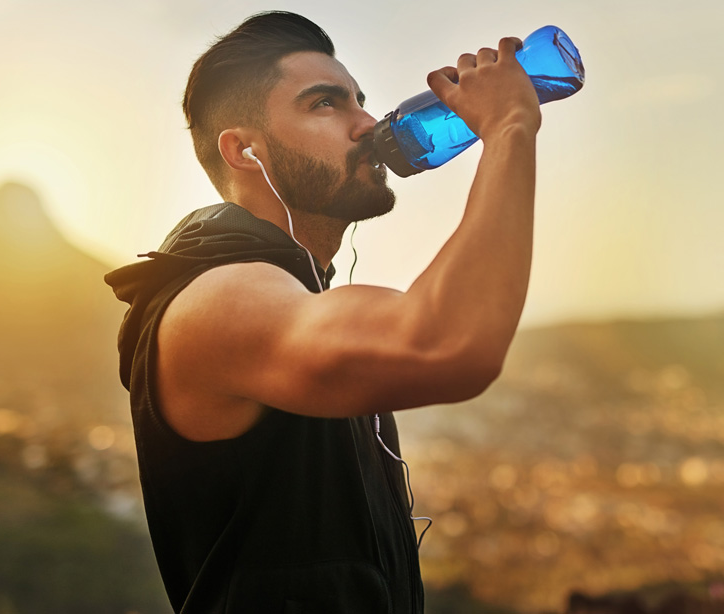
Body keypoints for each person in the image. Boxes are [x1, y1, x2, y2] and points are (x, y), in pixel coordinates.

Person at [105, 10, 540, 614]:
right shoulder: (218, 296)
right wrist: (510, 126)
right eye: (325, 104)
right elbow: (446, 342)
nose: (367, 123)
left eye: (360, 101)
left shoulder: (294, 293)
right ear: (244, 150)